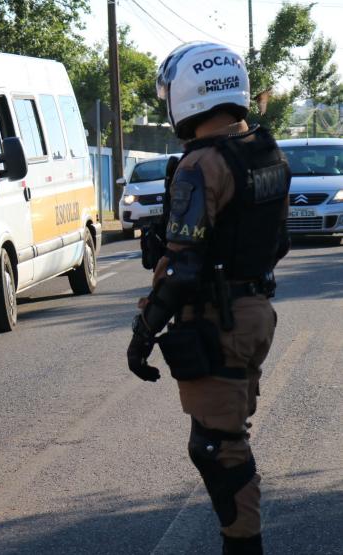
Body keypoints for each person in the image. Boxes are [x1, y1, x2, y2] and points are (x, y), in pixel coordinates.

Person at [127, 42, 290, 555]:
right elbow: (276, 240)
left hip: (220, 320)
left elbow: (180, 268)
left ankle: (244, 547)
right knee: (225, 435)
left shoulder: (201, 164)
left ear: (186, 92)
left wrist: (143, 332)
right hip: (256, 310)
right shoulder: (265, 149)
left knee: (219, 448)